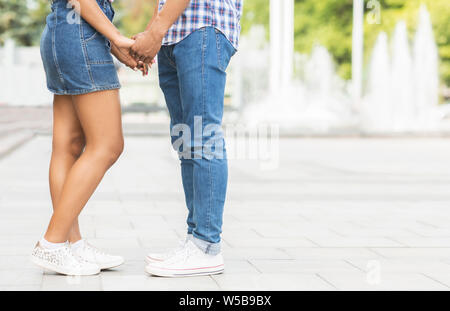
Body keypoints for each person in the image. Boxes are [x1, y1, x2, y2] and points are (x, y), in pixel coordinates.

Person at [30, 0, 149, 276]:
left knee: (67, 146)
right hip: (80, 39)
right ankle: (52, 241)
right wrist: (117, 37)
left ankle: (71, 244)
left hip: (63, 34)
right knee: (108, 145)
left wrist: (116, 47)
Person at [130, 0, 242, 277]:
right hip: (173, 34)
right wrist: (151, 34)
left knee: (203, 138)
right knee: (185, 142)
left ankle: (207, 245)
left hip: (202, 28)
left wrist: (154, 33)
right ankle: (196, 239)